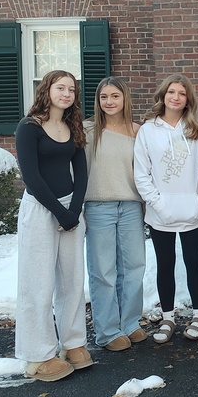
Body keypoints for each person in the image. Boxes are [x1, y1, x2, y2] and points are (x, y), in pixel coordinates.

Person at [14, 70, 91, 381]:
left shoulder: (72, 126)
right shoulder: (29, 128)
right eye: (61, 88)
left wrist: (73, 211)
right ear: (46, 90)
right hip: (40, 210)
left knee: (72, 280)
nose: (67, 94)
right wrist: (61, 214)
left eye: (71, 89)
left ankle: (73, 344)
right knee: (38, 284)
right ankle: (38, 354)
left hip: (71, 210)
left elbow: (82, 173)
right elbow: (31, 177)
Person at [134, 74, 198, 344]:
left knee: (194, 264)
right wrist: (157, 202)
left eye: (181, 93)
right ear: (163, 95)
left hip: (193, 211)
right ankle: (168, 318)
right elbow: (142, 173)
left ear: (188, 99)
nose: (176, 97)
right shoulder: (148, 131)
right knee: (165, 265)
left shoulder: (197, 131)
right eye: (171, 92)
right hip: (160, 213)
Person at [84, 77, 146, 352]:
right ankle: (108, 331)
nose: (109, 102)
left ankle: (130, 323)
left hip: (131, 206)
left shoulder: (138, 131)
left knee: (134, 268)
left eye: (115, 96)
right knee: (103, 272)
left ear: (125, 99)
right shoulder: (87, 131)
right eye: (103, 97)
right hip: (99, 206)